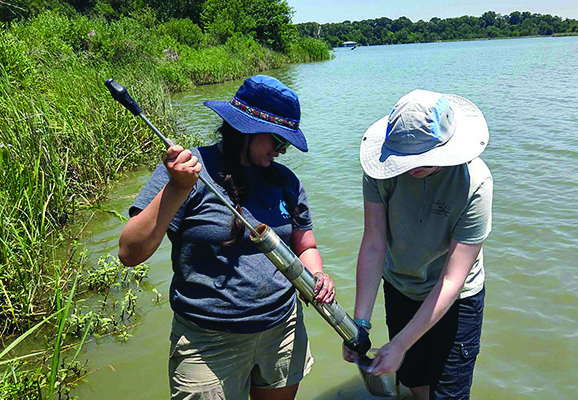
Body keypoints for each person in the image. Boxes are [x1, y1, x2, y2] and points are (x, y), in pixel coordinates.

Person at [118, 75, 336, 400]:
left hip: (282, 328)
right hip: (208, 341)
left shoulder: (285, 181)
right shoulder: (188, 171)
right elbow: (129, 253)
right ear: (244, 129)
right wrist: (178, 188)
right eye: (277, 141)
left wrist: (317, 274)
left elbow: (306, 245)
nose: (282, 151)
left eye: (286, 144)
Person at [342, 89, 493, 400]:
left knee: (450, 392)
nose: (411, 167)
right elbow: (373, 243)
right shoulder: (380, 174)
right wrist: (359, 324)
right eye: (404, 159)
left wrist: (399, 344)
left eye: (422, 160)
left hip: (457, 297)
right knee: (414, 382)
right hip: (401, 285)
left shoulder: (475, 183)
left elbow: (453, 277)